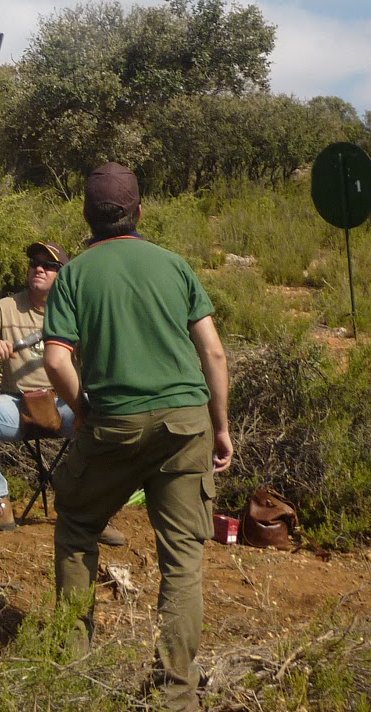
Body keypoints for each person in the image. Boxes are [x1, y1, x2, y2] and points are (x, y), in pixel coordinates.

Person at [43, 163, 232, 712]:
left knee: (77, 524)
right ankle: (176, 694)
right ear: (139, 211)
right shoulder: (174, 266)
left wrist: (84, 411)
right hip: (186, 423)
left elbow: (56, 359)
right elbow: (214, 354)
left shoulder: (75, 274)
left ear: (86, 215)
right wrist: (220, 427)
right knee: (182, 558)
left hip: (114, 422)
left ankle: (74, 670)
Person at [0, 242, 126, 547]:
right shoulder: (7, 306)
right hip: (17, 405)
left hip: (67, 406)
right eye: (34, 263)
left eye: (49, 265)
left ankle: (96, 513)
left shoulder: (76, 310)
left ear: (63, 274)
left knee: (110, 411)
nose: (39, 269)